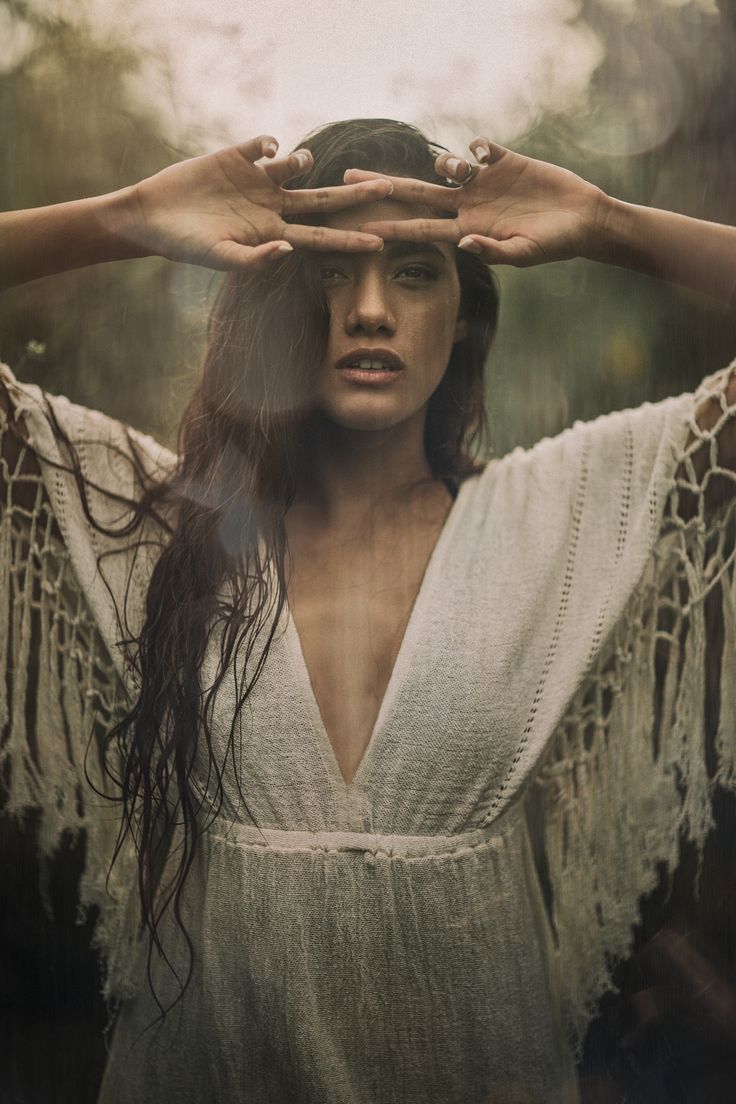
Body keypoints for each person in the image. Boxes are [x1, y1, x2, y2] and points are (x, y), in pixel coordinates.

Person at [1, 117, 735, 1103]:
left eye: (416, 272)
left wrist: (608, 223)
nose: (371, 311)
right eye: (327, 272)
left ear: (464, 316)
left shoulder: (561, 518)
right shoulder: (146, 521)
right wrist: (121, 217)